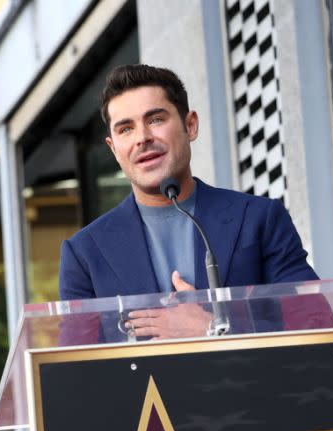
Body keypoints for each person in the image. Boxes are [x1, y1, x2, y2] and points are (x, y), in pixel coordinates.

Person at [58, 64, 318, 338]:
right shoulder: (85, 254)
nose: (142, 138)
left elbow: (316, 324)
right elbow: (75, 369)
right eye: (125, 129)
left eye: (156, 119)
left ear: (190, 125)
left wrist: (214, 326)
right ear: (113, 149)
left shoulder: (259, 219)